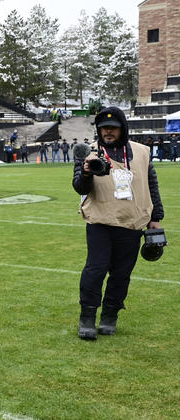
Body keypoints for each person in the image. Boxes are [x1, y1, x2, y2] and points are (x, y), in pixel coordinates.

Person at [72, 107, 164, 340]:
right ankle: (87, 318)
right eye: (104, 129)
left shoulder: (142, 152)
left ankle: (110, 315)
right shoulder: (88, 152)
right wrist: (85, 173)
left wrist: (156, 218)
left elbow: (151, 185)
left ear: (123, 129)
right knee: (95, 269)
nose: (108, 132)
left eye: (113, 128)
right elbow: (79, 188)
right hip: (100, 220)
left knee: (122, 273)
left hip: (132, 222)